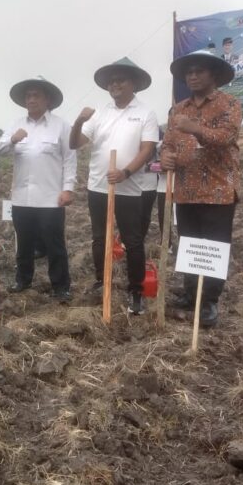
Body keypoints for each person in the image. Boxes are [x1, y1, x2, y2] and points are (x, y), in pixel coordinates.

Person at [70, 58, 158, 314]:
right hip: (98, 186)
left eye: (120, 80)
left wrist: (127, 172)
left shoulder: (145, 113)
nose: (115, 84)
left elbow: (147, 148)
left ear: (133, 84)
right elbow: (76, 144)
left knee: (133, 240)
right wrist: (78, 121)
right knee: (100, 237)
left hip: (129, 188)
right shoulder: (99, 114)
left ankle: (136, 291)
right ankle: (102, 280)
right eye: (111, 81)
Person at [161, 50, 241, 327]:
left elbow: (225, 137)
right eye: (189, 72)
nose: (193, 76)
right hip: (185, 190)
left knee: (214, 247)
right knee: (189, 244)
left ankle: (209, 302)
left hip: (218, 190)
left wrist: (194, 128)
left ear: (214, 75)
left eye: (199, 71)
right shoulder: (178, 109)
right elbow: (168, 143)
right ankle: (190, 293)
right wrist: (166, 157)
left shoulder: (229, 103)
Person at [0, 76, 76, 302]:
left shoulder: (61, 125)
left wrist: (68, 189)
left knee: (55, 244)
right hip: (22, 197)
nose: (31, 99)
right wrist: (12, 139)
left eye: (36, 95)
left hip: (51, 197)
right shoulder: (16, 124)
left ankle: (61, 286)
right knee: (24, 242)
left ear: (47, 100)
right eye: (28, 96)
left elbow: (70, 159)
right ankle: (23, 280)